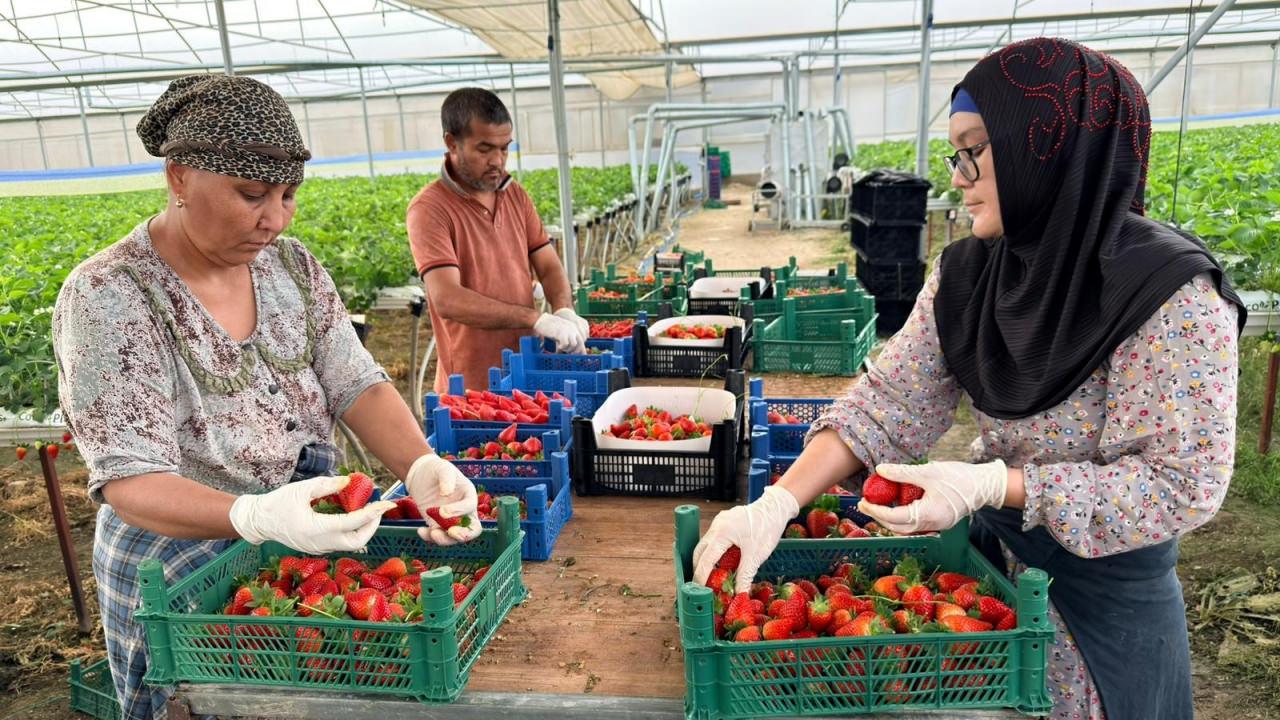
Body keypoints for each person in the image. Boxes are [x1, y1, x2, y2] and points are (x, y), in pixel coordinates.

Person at [693, 37, 1246, 720]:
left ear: (1051, 147)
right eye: (954, 153)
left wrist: (995, 483)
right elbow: (889, 403)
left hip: (1101, 615)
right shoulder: (971, 272)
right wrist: (777, 503)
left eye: (975, 150)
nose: (957, 176)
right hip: (990, 587)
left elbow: (1180, 484)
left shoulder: (1170, 295)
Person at [52, 75, 483, 720]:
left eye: (287, 196)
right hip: (177, 568)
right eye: (252, 195)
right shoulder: (111, 294)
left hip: (303, 532)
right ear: (178, 178)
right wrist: (254, 517)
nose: (274, 219)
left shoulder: (291, 267)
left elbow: (353, 380)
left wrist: (421, 467)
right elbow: (130, 482)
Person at [407, 87, 589, 393]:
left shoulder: (514, 194)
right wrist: (535, 319)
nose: (498, 160)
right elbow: (447, 298)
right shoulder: (430, 208)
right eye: (484, 149)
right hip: (471, 389)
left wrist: (562, 308)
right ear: (452, 143)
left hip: (527, 372)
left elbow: (548, 265)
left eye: (504, 148)